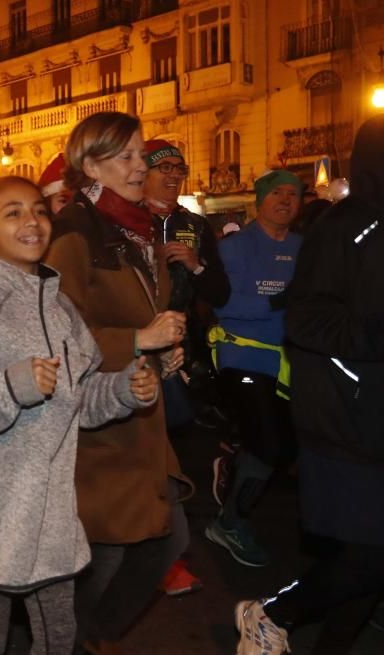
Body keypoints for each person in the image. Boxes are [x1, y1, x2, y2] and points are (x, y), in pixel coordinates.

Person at [0, 174, 159, 655]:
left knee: (59, 639)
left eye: (38, 210)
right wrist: (12, 385)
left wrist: (122, 389)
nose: (31, 221)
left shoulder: (63, 311)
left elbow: (79, 401)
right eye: (12, 212)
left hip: (48, 511)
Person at [233, 116, 384, 655]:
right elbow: (306, 318)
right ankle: (272, 613)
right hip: (350, 418)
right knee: (370, 555)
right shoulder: (344, 227)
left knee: (371, 557)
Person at [42, 112, 191, 653]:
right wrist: (137, 340)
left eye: (140, 153)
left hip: (140, 413)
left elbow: (146, 311)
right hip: (98, 422)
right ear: (90, 166)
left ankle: (81, 639)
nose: (139, 165)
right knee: (110, 552)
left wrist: (163, 349)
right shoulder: (75, 233)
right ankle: (74, 641)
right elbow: (57, 336)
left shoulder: (134, 228)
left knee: (159, 540)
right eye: (124, 156)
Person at [142, 139, 231, 597]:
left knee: (171, 455)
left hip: (181, 358)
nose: (175, 174)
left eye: (180, 167)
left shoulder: (195, 225)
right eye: (164, 167)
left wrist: (196, 265)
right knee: (146, 459)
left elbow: (220, 292)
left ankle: (166, 554)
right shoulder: (124, 222)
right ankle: (157, 557)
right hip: (132, 353)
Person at [204, 169, 303, 569]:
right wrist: (277, 303)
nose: (285, 200)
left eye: (293, 194)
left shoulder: (304, 247)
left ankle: (236, 463)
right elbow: (222, 305)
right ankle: (228, 523)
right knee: (270, 446)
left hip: (288, 362)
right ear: (259, 200)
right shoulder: (235, 247)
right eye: (276, 193)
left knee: (287, 446)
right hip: (242, 357)